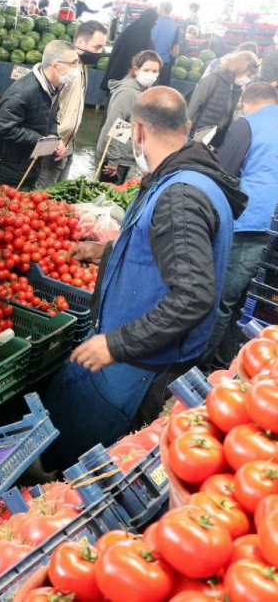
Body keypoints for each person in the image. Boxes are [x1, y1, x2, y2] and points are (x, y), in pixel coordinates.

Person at [41, 87, 246, 470]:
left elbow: (192, 296)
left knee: (98, 461)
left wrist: (116, 345)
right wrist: (110, 253)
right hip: (141, 353)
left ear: (137, 131)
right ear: (186, 127)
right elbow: (171, 251)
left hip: (145, 363)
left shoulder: (180, 195)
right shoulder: (192, 177)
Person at [203, 83, 278, 368]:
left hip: (250, 225)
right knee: (249, 300)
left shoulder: (248, 123)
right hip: (273, 230)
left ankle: (198, 366)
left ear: (247, 103)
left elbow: (223, 174)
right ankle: (226, 362)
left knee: (222, 300)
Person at [0, 40, 70, 189]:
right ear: (56, 65)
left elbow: (51, 118)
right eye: (73, 63)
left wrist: (53, 136)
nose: (76, 68)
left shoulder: (54, 87)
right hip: (8, 173)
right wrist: (41, 140)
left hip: (29, 169)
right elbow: (2, 127)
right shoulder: (23, 91)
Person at [37, 20, 108, 188]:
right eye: (97, 47)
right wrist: (52, 136)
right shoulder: (64, 69)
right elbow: (44, 105)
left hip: (68, 143)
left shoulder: (82, 67)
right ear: (81, 43)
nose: (100, 52)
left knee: (57, 196)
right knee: (42, 194)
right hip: (53, 144)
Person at [96, 50, 162, 183]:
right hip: (115, 158)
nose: (151, 74)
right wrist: (114, 159)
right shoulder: (128, 93)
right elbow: (114, 126)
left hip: (125, 154)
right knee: (106, 196)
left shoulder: (143, 90)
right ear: (136, 70)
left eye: (155, 71)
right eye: (147, 70)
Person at [188, 51, 259, 147]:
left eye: (251, 76)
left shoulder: (236, 88)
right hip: (200, 131)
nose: (248, 79)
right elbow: (194, 105)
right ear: (238, 68)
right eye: (248, 75)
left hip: (217, 135)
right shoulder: (213, 79)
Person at [101, 8, 157, 93]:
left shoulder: (130, 29)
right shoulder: (145, 36)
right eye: (154, 20)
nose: (154, 23)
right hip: (130, 77)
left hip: (118, 72)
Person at [151, 1, 180, 86]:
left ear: (161, 9)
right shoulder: (175, 26)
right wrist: (172, 61)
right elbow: (175, 51)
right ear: (170, 10)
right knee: (161, 93)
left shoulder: (153, 22)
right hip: (164, 64)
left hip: (149, 60)